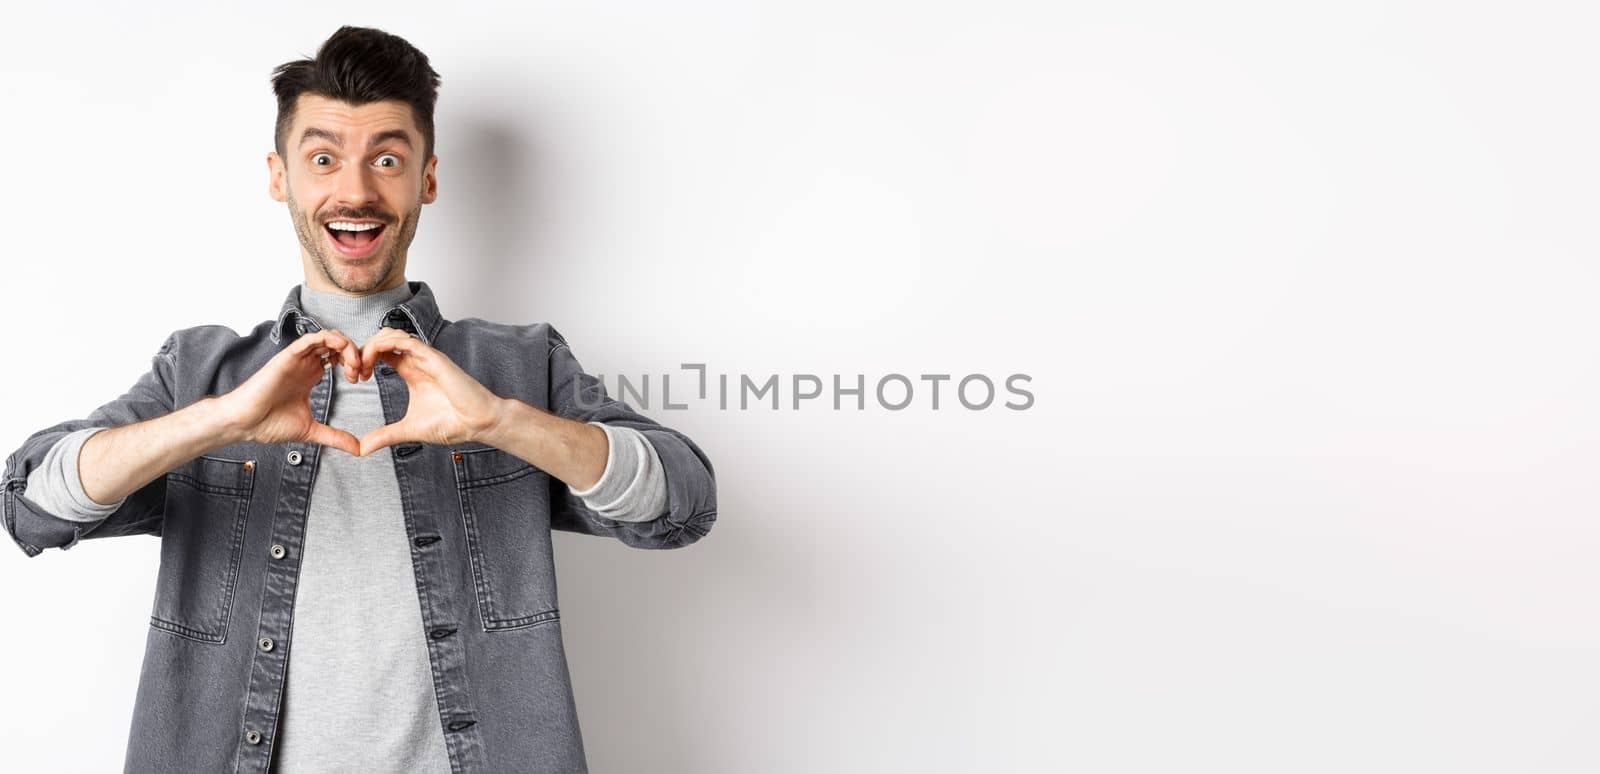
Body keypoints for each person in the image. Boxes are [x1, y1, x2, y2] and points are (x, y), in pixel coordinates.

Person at [0, 25, 717, 774]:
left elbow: (683, 503)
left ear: (426, 180)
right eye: (322, 159)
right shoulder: (201, 371)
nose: (355, 192)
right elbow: (32, 503)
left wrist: (500, 421)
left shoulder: (516, 365)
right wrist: (222, 419)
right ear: (279, 176)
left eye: (386, 159)